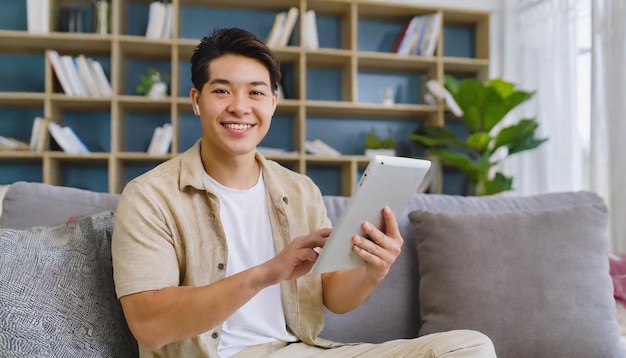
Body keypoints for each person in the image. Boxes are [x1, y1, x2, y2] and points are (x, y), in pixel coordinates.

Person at [111, 27, 496, 358]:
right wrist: (265, 273)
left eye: (256, 93)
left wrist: (373, 270)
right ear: (197, 101)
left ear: (273, 103)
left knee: (468, 348)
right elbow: (150, 324)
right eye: (222, 91)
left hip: (300, 350)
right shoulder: (150, 197)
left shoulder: (300, 191)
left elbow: (333, 296)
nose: (240, 107)